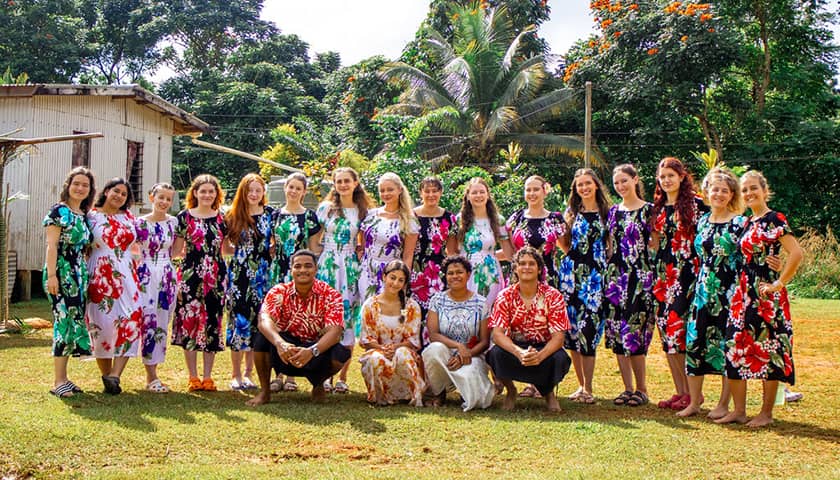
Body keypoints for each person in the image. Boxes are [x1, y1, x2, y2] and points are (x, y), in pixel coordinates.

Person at [716, 171, 803, 427]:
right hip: (743, 292)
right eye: (744, 190)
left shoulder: (774, 219)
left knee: (769, 349)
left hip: (766, 293)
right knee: (735, 346)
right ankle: (739, 410)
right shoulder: (745, 222)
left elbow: (796, 253)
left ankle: (766, 413)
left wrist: (779, 282)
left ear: (765, 190)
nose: (749, 193)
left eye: (753, 188)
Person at [677, 167, 745, 419]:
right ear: (706, 191)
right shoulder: (703, 221)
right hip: (703, 290)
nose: (718, 194)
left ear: (731, 195)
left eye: (724, 191)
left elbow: (749, 255)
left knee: (727, 346)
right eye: (714, 189)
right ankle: (694, 402)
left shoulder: (739, 223)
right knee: (696, 343)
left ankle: (724, 404)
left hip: (730, 291)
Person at [246, 250, 349, 406]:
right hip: (286, 350)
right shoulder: (279, 291)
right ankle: (265, 392)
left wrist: (312, 351)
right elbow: (264, 320)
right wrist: (280, 343)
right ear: (291, 270)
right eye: (297, 266)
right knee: (261, 338)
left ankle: (318, 384)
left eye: (308, 266)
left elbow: (335, 332)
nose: (302, 270)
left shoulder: (331, 294)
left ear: (316, 269)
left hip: (315, 350)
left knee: (340, 354)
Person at [650, 157, 708, 411]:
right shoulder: (659, 207)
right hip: (664, 275)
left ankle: (693, 393)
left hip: (688, 275)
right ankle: (679, 391)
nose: (666, 181)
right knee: (667, 335)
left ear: (682, 176)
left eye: (671, 176)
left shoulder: (697, 205)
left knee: (682, 334)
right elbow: (654, 242)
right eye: (662, 177)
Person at [486, 247, 571, 412]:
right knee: (495, 354)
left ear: (539, 269)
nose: (526, 267)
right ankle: (511, 391)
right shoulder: (505, 296)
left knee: (559, 358)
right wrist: (519, 353)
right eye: (522, 263)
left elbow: (558, 338)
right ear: (516, 269)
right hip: (516, 347)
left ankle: (548, 393)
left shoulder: (553, 296)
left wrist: (539, 356)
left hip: (544, 347)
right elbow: (497, 334)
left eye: (532, 264)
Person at [314, 167, 373, 394]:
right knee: (326, 318)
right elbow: (314, 238)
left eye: (347, 181)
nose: (343, 185)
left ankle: (342, 376)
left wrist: (359, 251)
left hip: (349, 267)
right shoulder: (325, 209)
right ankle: (324, 374)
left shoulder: (363, 211)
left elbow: (364, 241)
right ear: (334, 184)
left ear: (356, 183)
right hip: (328, 264)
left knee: (347, 319)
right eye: (339, 181)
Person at [86, 177, 143, 395]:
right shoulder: (91, 216)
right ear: (107, 190)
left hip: (127, 274)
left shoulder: (129, 217)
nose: (119, 196)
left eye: (124, 194)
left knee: (132, 320)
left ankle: (116, 375)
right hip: (99, 273)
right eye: (116, 191)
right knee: (102, 324)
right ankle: (106, 375)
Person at [558, 168, 610, 404]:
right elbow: (564, 242)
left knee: (589, 330)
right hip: (571, 277)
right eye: (580, 185)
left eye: (588, 183)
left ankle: (588, 387)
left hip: (596, 277)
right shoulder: (570, 213)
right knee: (573, 332)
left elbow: (612, 244)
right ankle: (580, 386)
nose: (584, 188)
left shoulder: (608, 212)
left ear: (596, 185)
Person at [604, 165, 655, 407]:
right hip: (616, 278)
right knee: (617, 333)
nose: (621, 186)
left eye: (624, 181)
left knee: (635, 334)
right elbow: (610, 246)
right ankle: (626, 388)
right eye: (617, 183)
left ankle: (642, 389)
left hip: (639, 278)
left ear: (635, 180)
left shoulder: (648, 211)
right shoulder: (613, 212)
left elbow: (653, 246)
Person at [171, 174, 227, 392]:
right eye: (202, 191)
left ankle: (208, 376)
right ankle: (193, 376)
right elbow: (176, 251)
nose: (206, 195)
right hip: (189, 276)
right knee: (189, 323)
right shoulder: (184, 217)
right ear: (195, 193)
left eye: (211, 191)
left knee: (212, 323)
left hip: (216, 277)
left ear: (216, 194)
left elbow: (228, 248)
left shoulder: (223, 218)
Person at [44, 167, 96, 398]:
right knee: (63, 322)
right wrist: (53, 275)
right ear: (68, 184)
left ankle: (64, 378)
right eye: (76, 183)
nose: (80, 188)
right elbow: (52, 245)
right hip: (62, 271)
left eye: (85, 185)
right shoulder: (59, 211)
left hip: (78, 273)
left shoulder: (82, 214)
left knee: (74, 321)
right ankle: (57, 381)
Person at [268, 172, 321, 393]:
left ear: (303, 192)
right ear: (285, 188)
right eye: (291, 187)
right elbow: (271, 245)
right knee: (278, 321)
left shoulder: (309, 217)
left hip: (301, 275)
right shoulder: (274, 215)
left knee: (298, 321)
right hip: (279, 271)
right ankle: (278, 373)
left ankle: (292, 375)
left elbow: (314, 248)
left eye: (298, 188)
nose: (293, 191)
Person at [422, 256, 494, 411]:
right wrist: (458, 346)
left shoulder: (481, 303)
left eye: (459, 272)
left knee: (479, 401)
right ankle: (438, 391)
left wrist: (464, 355)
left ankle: (466, 390)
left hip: (471, 355)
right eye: (450, 273)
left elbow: (484, 341)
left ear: (468, 274)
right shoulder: (437, 300)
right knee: (434, 350)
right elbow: (433, 334)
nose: (455, 276)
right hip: (445, 354)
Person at [224, 173, 275, 391]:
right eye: (249, 190)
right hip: (239, 275)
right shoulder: (232, 214)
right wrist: (239, 254)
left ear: (263, 192)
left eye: (258, 190)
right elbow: (225, 247)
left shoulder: (271, 214)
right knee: (238, 323)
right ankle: (235, 374)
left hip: (263, 275)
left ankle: (248, 373)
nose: (253, 194)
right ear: (243, 192)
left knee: (258, 325)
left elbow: (275, 242)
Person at [358, 260, 425, 406]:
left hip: (402, 351)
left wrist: (394, 348)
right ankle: (380, 396)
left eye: (401, 280)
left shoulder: (411, 306)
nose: (395, 283)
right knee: (376, 358)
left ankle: (409, 394)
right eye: (392, 278)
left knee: (402, 353)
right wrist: (382, 349)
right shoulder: (370, 305)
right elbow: (366, 338)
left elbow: (412, 339)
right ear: (384, 277)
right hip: (377, 350)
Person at [134, 182, 178, 393]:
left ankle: (154, 373)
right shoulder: (139, 223)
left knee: (162, 322)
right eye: (160, 197)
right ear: (151, 197)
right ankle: (150, 375)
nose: (164, 202)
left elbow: (176, 252)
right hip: (145, 274)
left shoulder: (174, 222)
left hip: (167, 275)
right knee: (147, 320)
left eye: (168, 199)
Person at [358, 172, 419, 301]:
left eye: (390, 189)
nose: (386, 194)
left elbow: (408, 255)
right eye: (382, 191)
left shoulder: (409, 220)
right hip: (366, 271)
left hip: (391, 273)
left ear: (400, 190)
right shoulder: (371, 215)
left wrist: (402, 281)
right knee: (366, 310)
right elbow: (362, 240)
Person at [411, 177, 459, 334]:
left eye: (435, 191)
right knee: (415, 312)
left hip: (438, 272)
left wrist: (451, 276)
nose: (431, 194)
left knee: (436, 312)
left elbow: (451, 253)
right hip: (416, 270)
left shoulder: (449, 218)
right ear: (421, 193)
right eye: (427, 191)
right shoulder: (412, 216)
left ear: (441, 193)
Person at [458, 177, 513, 310]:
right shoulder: (458, 220)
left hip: (490, 273)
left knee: (488, 312)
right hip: (465, 272)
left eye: (482, 192)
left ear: (488, 195)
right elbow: (453, 251)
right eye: (474, 193)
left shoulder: (498, 220)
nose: (478, 196)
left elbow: (509, 253)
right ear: (468, 196)